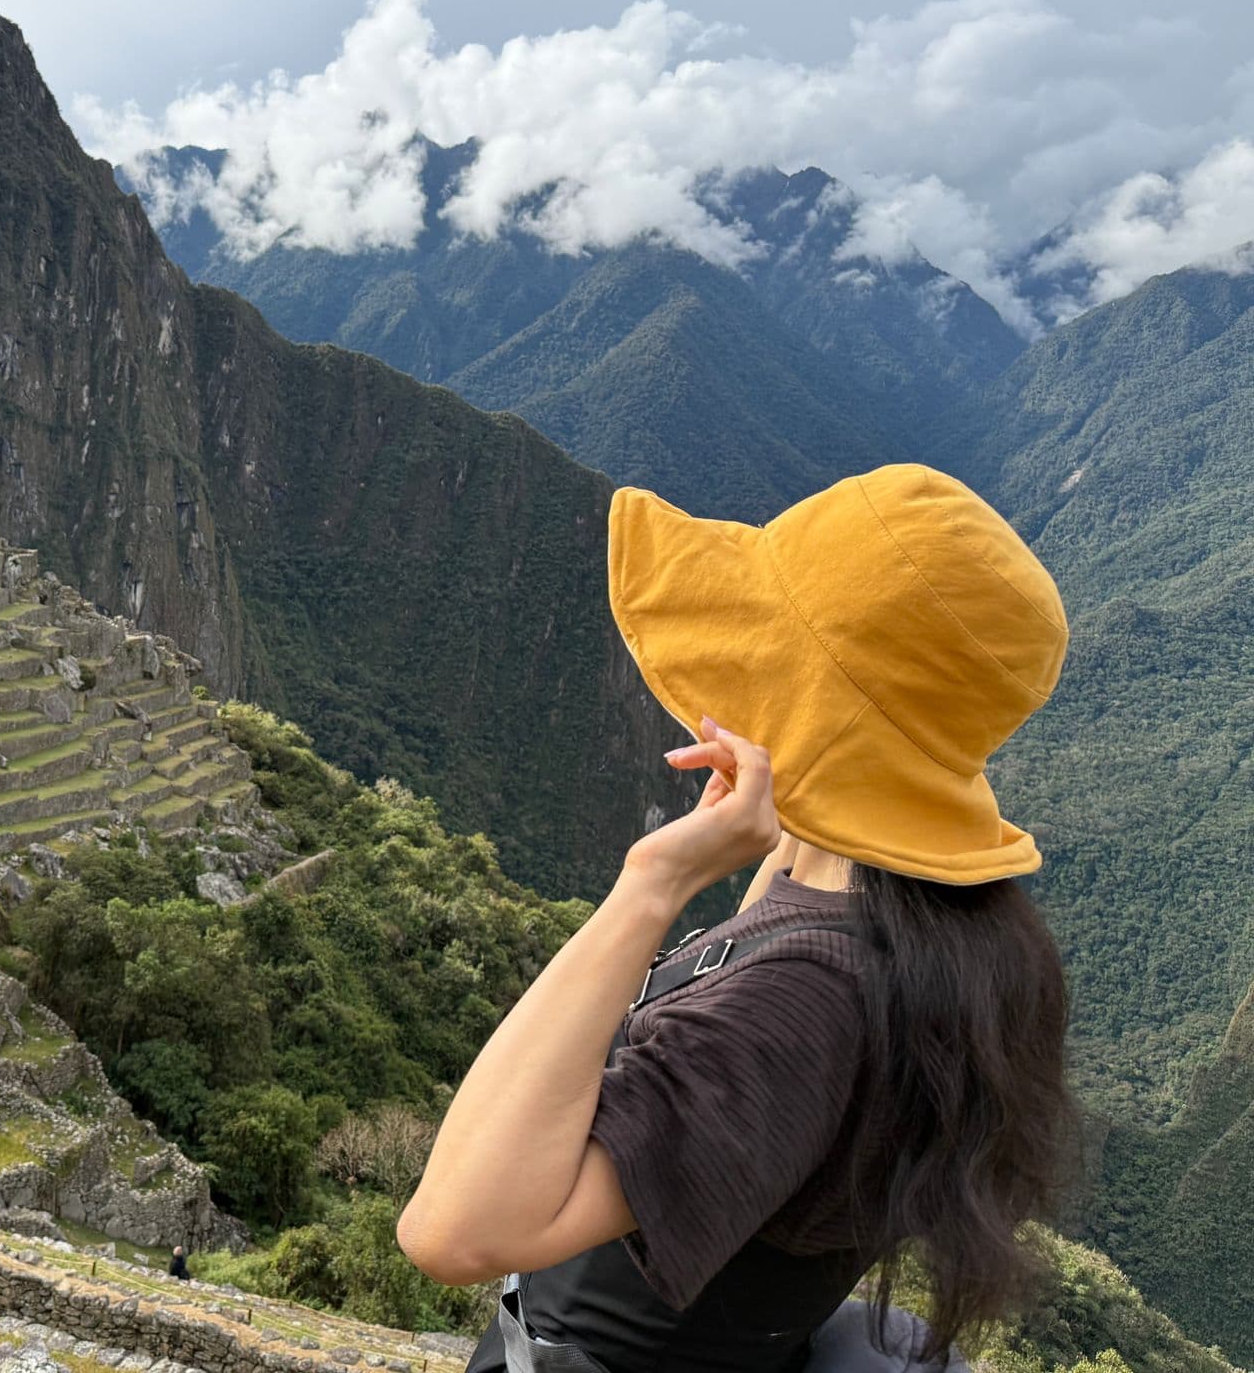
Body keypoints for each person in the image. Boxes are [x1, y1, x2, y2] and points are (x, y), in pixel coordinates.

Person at [402, 466, 1075, 1373]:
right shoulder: (945, 936)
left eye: (765, 662)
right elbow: (767, 935)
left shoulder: (803, 1005)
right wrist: (799, 800)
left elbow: (453, 1233)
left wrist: (651, 882)